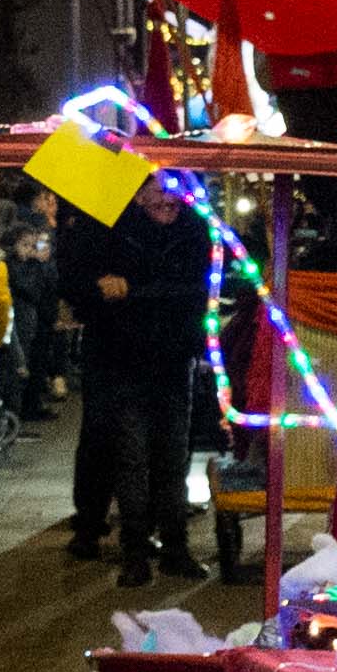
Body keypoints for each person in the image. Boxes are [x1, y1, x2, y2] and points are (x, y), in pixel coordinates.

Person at [60, 167, 212, 577]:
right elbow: (83, 284)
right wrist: (107, 289)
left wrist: (135, 293)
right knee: (131, 457)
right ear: (138, 194)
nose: (168, 198)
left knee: (172, 455)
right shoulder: (112, 231)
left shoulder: (195, 231)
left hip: (173, 359)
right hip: (122, 360)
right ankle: (134, 551)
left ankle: (175, 546)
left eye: (176, 190)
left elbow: (195, 289)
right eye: (158, 189)